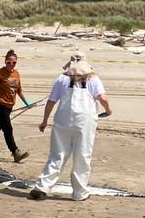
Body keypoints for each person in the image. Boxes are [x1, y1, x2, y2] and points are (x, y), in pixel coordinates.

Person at [29, 54, 113, 201]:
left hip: (63, 118)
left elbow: (51, 101)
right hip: (84, 121)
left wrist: (44, 120)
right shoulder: (93, 79)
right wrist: (109, 110)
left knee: (57, 154)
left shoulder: (62, 78)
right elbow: (103, 98)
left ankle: (42, 186)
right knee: (82, 155)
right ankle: (80, 192)